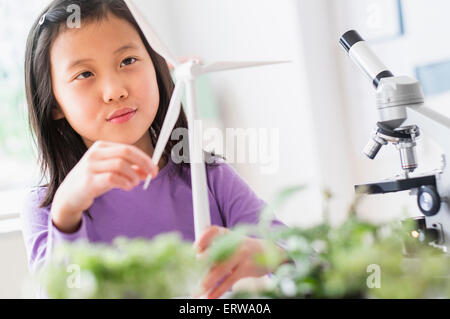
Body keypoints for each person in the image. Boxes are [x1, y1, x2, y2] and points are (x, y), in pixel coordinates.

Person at [22, 0, 288, 299]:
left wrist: (269, 254)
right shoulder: (47, 208)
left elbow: (307, 257)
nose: (115, 91)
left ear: (156, 65)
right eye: (84, 75)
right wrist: (66, 215)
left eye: (127, 61)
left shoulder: (209, 177)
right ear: (54, 103)